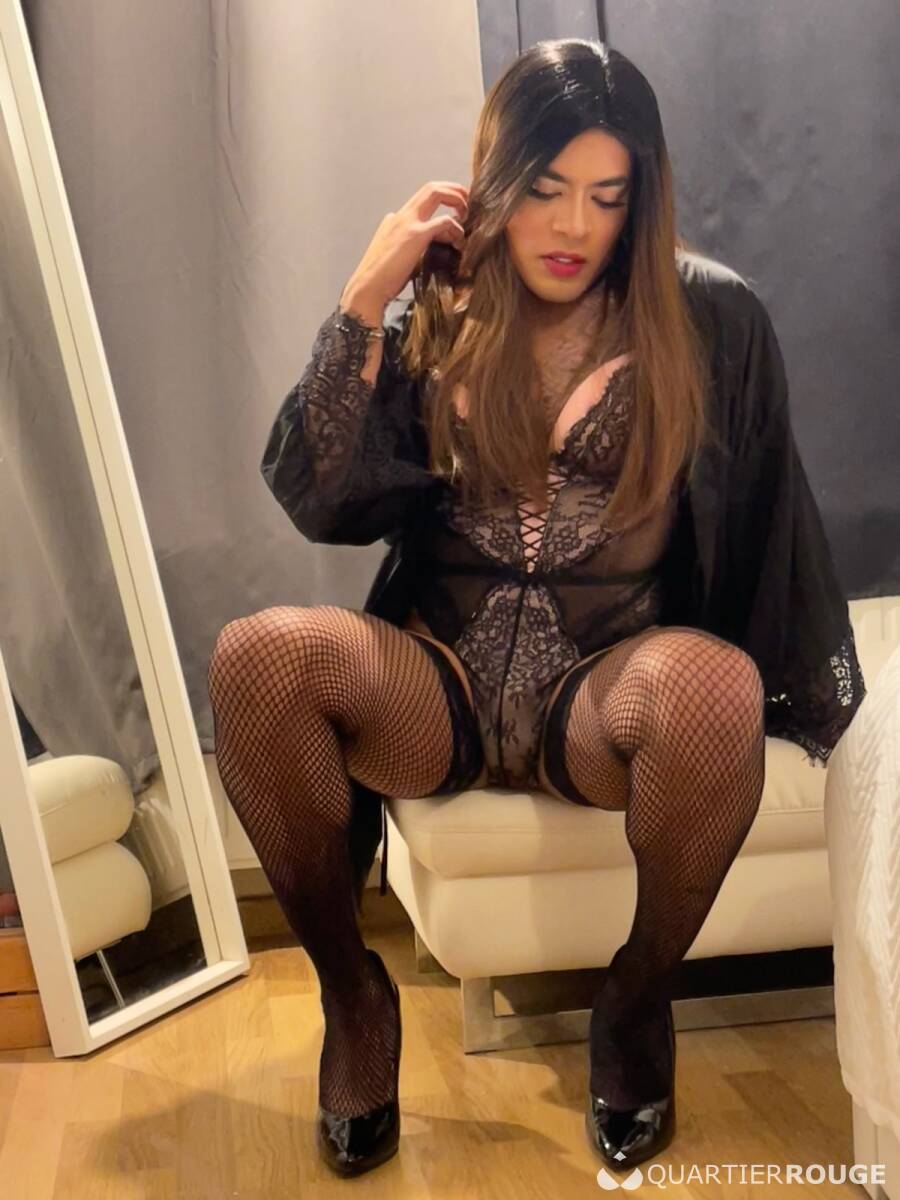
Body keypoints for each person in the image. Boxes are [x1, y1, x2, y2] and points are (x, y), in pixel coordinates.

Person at [207, 38, 866, 1178]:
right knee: (259, 656)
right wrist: (366, 296)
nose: (573, 226)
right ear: (497, 181)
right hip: (440, 686)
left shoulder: (712, 319)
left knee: (713, 685)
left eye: (608, 196)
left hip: (600, 695)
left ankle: (636, 1001)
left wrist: (813, 705)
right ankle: (354, 997)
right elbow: (320, 497)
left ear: (641, 199)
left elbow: (767, 518)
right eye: (547, 189)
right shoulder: (440, 306)